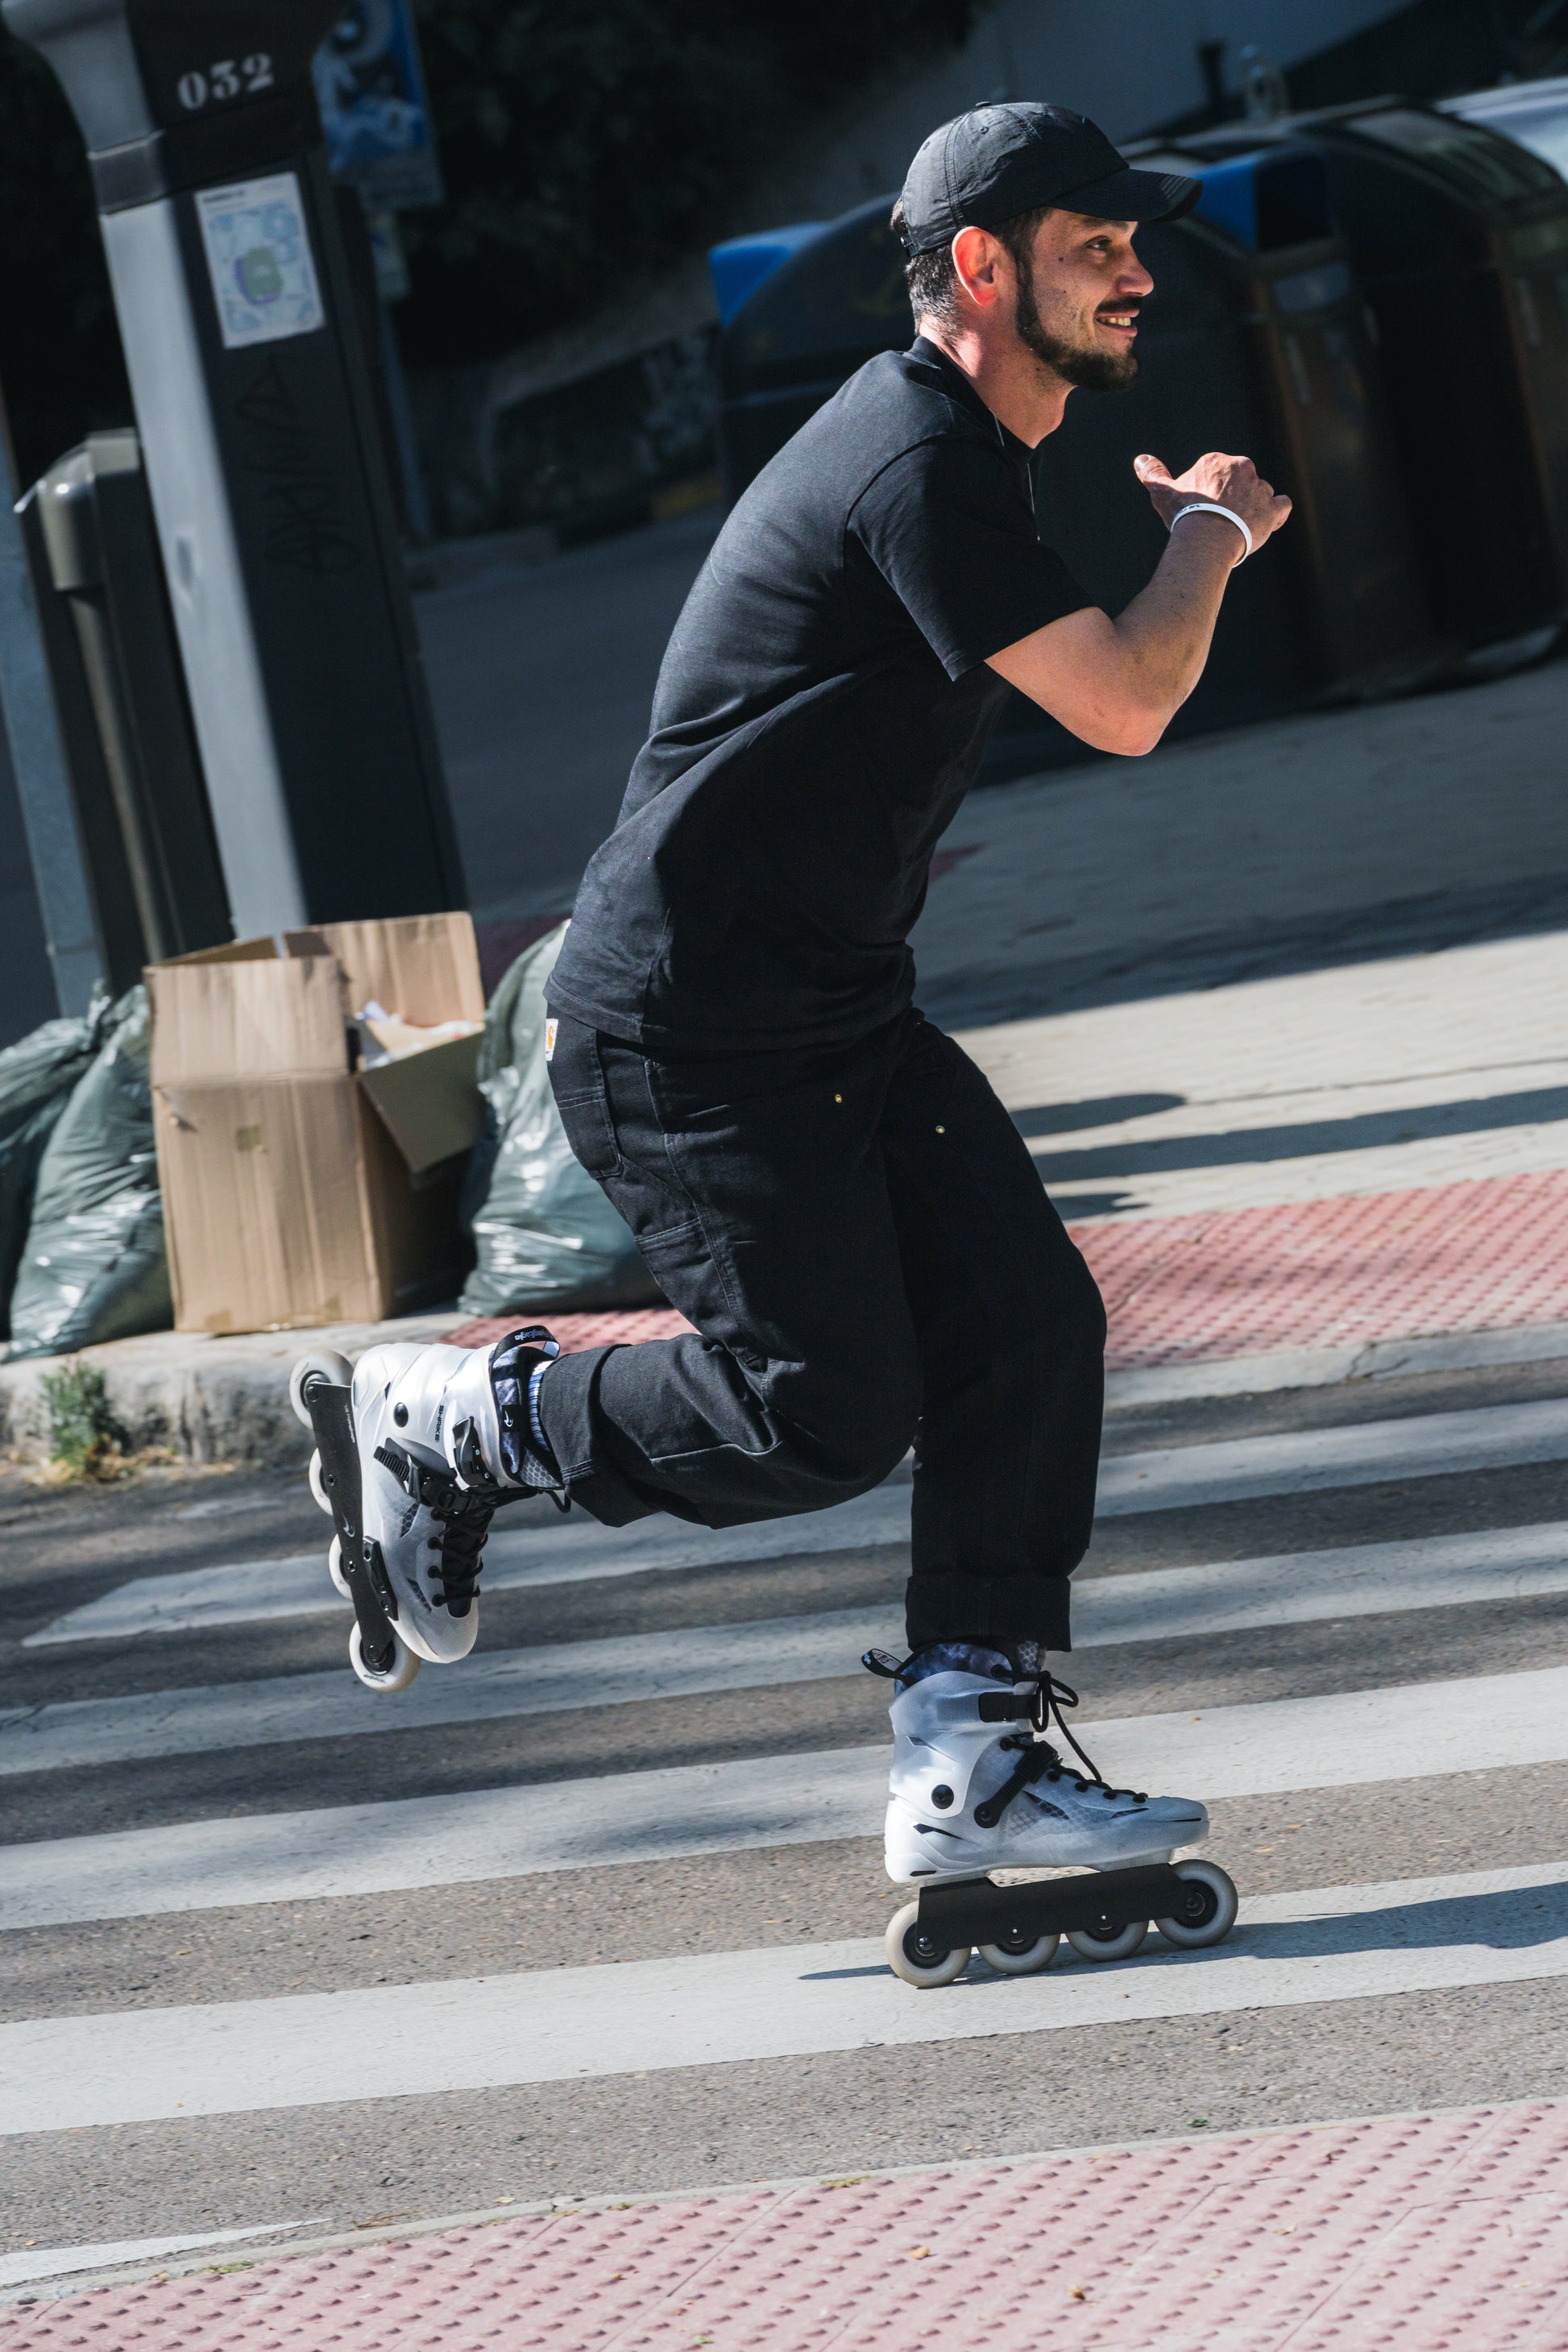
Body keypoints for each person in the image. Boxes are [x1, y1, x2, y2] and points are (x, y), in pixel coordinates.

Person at [339, 102, 1291, 1894]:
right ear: (983, 268)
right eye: (1097, 247)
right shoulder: (912, 459)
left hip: (829, 1006)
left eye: (1133, 246)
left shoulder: (959, 446)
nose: (1139, 276)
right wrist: (1206, 535)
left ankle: (971, 1756)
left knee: (1027, 1327)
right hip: (687, 1031)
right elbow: (1124, 701)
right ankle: (463, 1421)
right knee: (817, 1413)